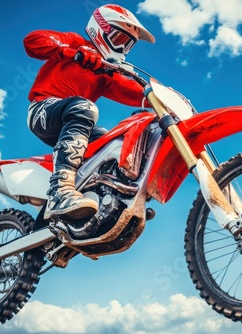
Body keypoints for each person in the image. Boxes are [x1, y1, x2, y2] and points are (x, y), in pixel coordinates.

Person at [24, 4, 155, 221]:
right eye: (119, 39)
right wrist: (70, 52)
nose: (122, 49)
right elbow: (33, 40)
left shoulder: (105, 75)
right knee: (84, 107)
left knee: (115, 145)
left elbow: (137, 92)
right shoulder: (75, 43)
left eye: (127, 45)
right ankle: (61, 191)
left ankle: (113, 201)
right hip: (42, 111)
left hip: (76, 126)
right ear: (101, 29)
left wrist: (159, 95)